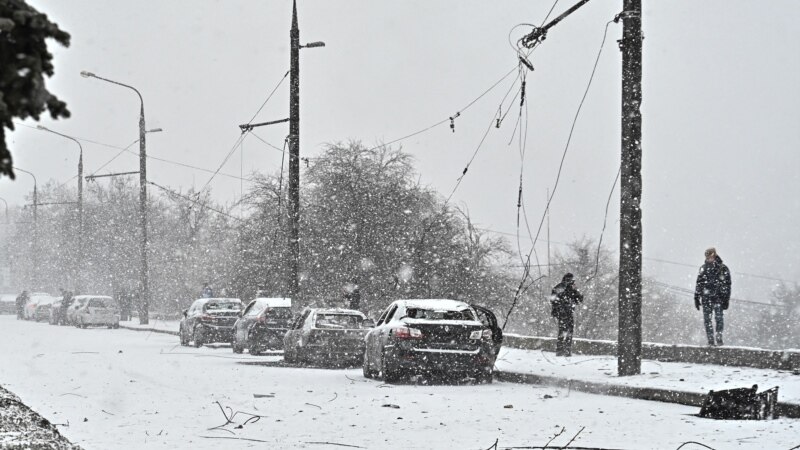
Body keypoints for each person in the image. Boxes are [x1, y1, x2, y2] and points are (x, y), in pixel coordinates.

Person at [694, 247, 732, 346]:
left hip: (718, 298)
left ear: (714, 256)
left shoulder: (723, 268)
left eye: (710, 256)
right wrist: (697, 297)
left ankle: (719, 338)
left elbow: (727, 285)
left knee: (719, 319)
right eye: (707, 257)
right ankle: (710, 340)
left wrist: (726, 299)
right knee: (707, 320)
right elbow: (699, 283)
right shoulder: (703, 268)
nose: (709, 259)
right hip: (706, 298)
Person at [550, 273, 584, 356]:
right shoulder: (561, 287)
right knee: (565, 331)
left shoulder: (568, 288)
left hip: (566, 312)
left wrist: (576, 292)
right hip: (563, 312)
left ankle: (564, 350)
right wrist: (560, 306)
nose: (572, 282)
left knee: (566, 331)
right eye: (571, 280)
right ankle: (563, 350)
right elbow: (553, 300)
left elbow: (578, 300)